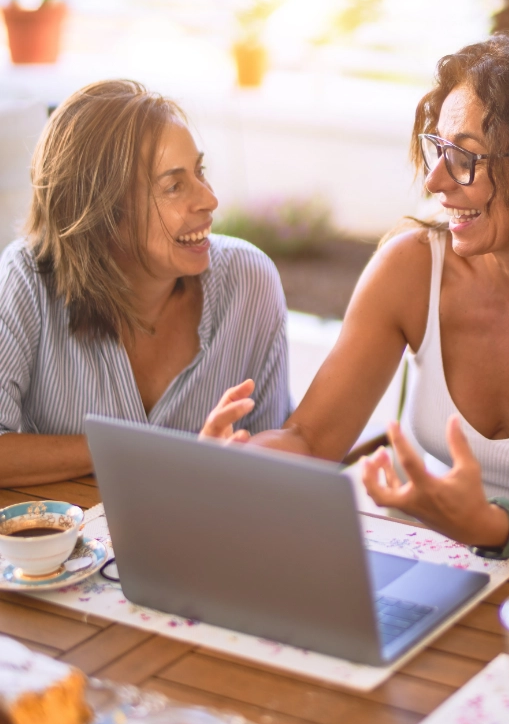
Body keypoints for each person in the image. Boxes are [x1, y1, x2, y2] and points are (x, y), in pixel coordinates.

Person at [202, 33, 509, 558]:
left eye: (465, 157)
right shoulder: (411, 267)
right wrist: (246, 459)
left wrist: (479, 524)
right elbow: (311, 440)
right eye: (439, 149)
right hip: (436, 544)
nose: (435, 181)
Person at [0, 79, 291, 487]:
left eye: (199, 172)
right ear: (101, 211)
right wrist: (155, 451)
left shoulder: (249, 283)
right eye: (174, 186)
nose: (209, 199)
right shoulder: (26, 280)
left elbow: (272, 460)